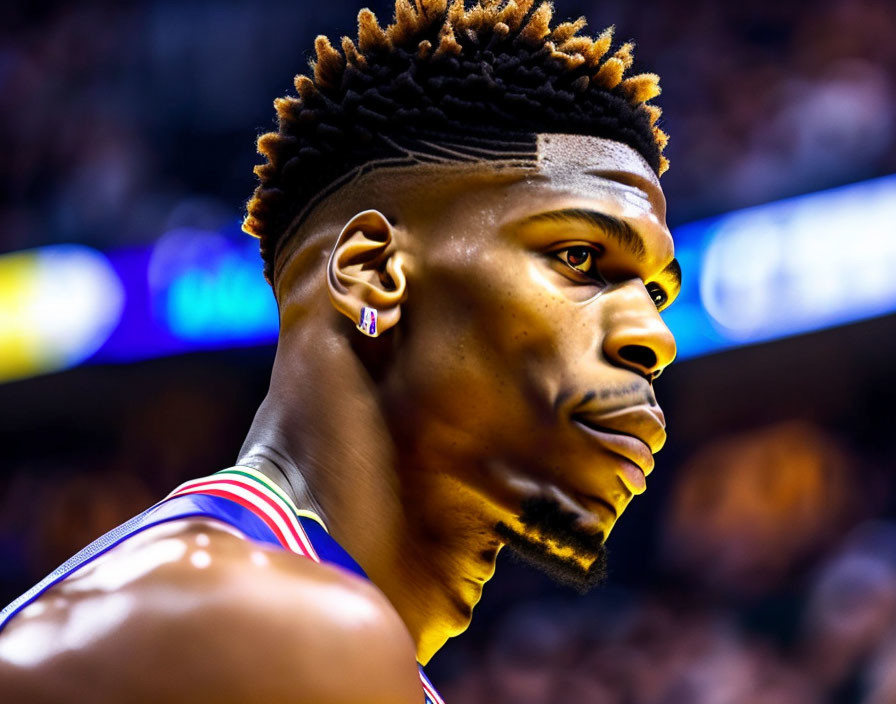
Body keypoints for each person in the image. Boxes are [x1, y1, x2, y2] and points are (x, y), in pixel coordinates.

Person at [0, 0, 679, 701]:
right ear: (374, 273)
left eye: (656, 295)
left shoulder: (297, 621)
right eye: (578, 257)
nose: (654, 339)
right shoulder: (263, 623)